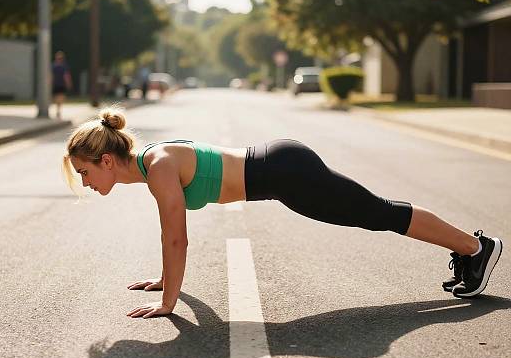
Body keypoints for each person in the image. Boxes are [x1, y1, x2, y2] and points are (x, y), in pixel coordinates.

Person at [61, 107, 504, 319]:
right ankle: (472, 248)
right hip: (281, 171)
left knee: (378, 213)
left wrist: (168, 302)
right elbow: (172, 238)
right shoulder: (152, 165)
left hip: (286, 173)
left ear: (105, 161)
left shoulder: (158, 167)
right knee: (376, 212)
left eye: (84, 173)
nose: (85, 183)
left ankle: (476, 247)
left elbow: (176, 238)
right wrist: (164, 281)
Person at [51, 51, 73, 119]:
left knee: (57, 97)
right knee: (60, 97)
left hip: (56, 84)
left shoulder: (53, 66)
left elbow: (51, 76)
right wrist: (69, 83)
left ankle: (58, 109)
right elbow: (66, 76)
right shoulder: (63, 66)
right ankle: (58, 110)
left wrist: (50, 83)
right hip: (61, 84)